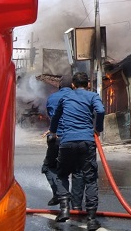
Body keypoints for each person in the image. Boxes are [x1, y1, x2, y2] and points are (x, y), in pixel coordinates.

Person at [50, 72, 105, 230]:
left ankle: (65, 209)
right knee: (90, 178)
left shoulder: (65, 97)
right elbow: (100, 111)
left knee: (61, 174)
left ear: (73, 85)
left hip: (67, 142)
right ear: (87, 84)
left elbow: (56, 116)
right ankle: (92, 219)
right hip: (86, 141)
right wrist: (98, 128)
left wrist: (53, 131)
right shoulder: (93, 96)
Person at [42, 76, 85, 210]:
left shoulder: (52, 98)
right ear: (73, 85)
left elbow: (51, 116)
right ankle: (77, 205)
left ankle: (59, 195)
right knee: (78, 170)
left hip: (57, 138)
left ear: (59, 87)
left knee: (49, 167)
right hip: (77, 137)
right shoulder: (78, 97)